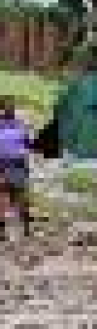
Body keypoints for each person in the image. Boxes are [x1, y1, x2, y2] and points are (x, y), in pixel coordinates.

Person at [0, 96, 34, 240]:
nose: (9, 109)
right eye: (7, 106)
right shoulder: (18, 125)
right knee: (6, 196)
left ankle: (25, 225)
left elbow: (28, 143)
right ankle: (8, 229)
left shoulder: (20, 124)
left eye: (10, 106)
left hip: (14, 162)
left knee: (16, 196)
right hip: (7, 162)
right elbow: (28, 143)